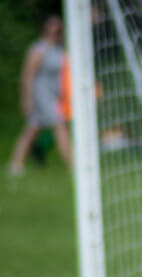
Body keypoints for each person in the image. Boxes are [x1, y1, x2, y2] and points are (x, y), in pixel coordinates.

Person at [8, 16, 72, 175]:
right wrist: (26, 100)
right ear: (45, 28)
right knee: (60, 126)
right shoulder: (38, 49)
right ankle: (74, 166)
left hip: (53, 94)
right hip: (41, 94)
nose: (55, 30)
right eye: (52, 27)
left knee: (32, 129)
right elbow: (27, 76)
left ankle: (15, 165)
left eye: (58, 27)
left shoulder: (59, 49)